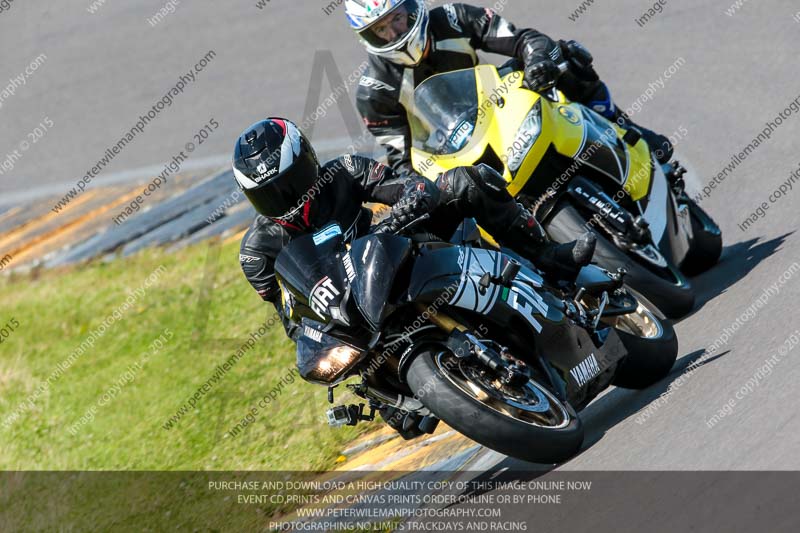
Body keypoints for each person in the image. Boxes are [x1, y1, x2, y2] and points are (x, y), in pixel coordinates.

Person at [235, 118, 595, 341]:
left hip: (400, 251)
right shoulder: (256, 253)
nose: (287, 199)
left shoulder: (343, 171)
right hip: (355, 309)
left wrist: (407, 206)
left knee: (464, 182)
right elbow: (290, 318)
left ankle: (549, 259)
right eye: (269, 196)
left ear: (309, 161)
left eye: (292, 183)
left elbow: (410, 185)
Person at [345, 0, 673, 177]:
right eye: (381, 29)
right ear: (368, 38)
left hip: (497, 108)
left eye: (398, 18)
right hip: (454, 155)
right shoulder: (374, 91)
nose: (394, 32)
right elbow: (401, 159)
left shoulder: (453, 18)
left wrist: (539, 61)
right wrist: (418, 186)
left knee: (566, 55)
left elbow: (523, 40)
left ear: (412, 8)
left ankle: (624, 126)